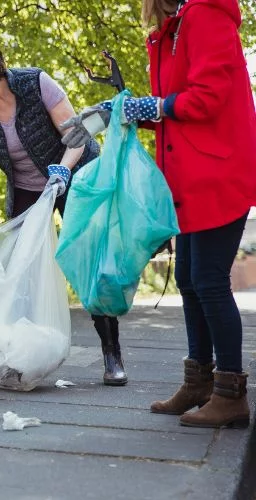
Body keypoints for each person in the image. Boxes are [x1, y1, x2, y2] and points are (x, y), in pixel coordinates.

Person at [62, 0, 256, 427]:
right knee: (188, 278)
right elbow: (175, 109)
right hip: (190, 176)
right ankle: (199, 382)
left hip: (218, 172)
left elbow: (206, 99)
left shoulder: (205, 16)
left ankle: (230, 394)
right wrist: (117, 113)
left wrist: (149, 107)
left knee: (207, 280)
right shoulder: (175, 28)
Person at [0, 36, 129, 386]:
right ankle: (18, 355)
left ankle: (111, 354)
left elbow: (80, 134)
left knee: (90, 266)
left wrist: (63, 171)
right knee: (18, 271)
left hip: (74, 177)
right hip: (28, 191)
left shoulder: (35, 82)